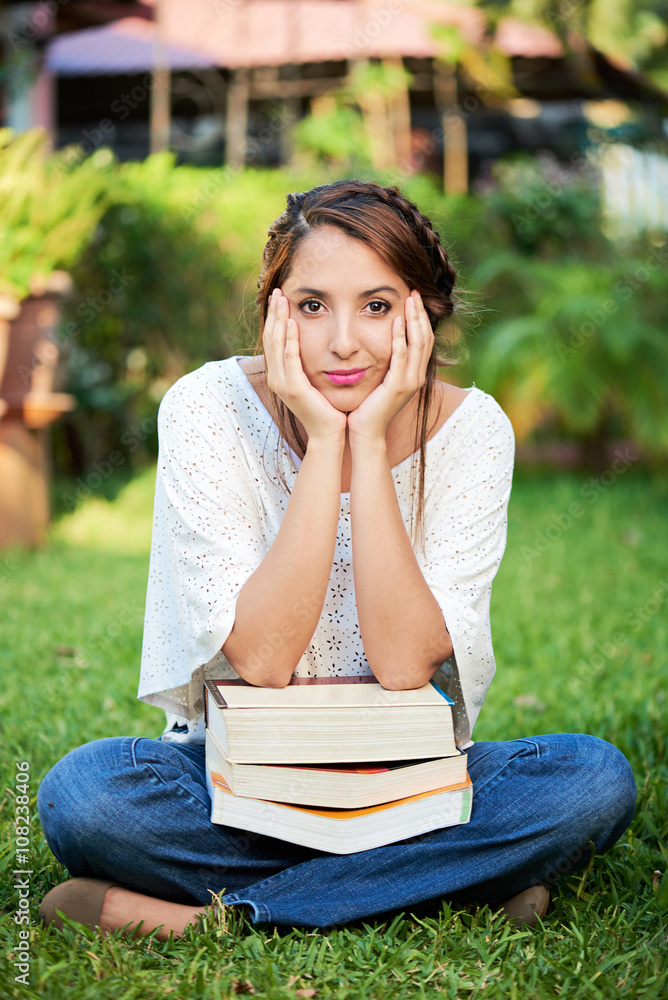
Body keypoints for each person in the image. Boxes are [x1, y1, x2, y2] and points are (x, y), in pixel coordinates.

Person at [38, 179, 636, 939]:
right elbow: (261, 658)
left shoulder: (476, 429)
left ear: (425, 312)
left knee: (590, 781)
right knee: (87, 797)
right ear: (274, 311)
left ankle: (224, 918)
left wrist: (370, 442)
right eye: (313, 305)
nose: (344, 341)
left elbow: (401, 665)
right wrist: (327, 441)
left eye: (377, 306)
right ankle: (453, 887)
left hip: (413, 782)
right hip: (235, 782)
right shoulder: (205, 407)